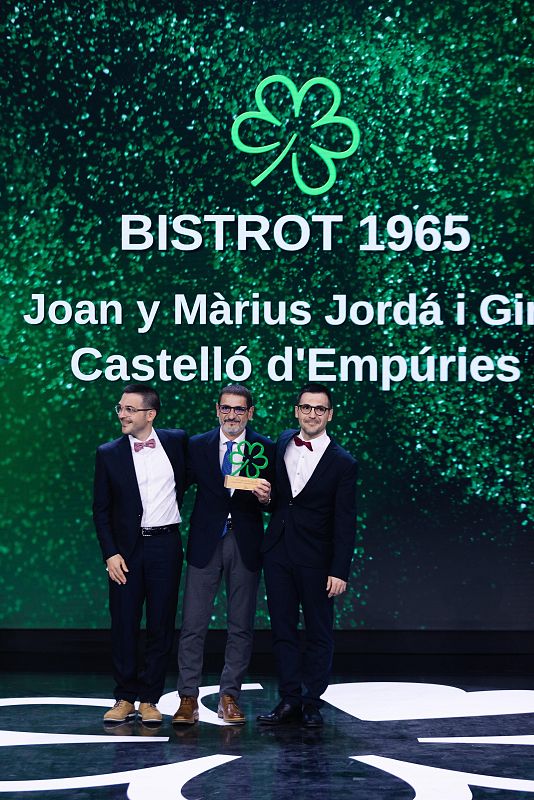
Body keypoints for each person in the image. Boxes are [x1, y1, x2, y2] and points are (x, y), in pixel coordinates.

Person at [257, 383, 357, 728]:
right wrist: (265, 499)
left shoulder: (343, 462)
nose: (312, 414)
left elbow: (345, 522)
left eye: (319, 409)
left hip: (317, 559)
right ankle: (288, 699)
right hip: (278, 552)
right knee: (283, 628)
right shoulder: (282, 442)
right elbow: (279, 499)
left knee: (318, 631)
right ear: (297, 411)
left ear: (329, 415)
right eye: (306, 407)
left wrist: (339, 570)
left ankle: (312, 701)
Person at [172, 384, 273, 726]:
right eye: (226, 409)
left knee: (240, 625)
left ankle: (230, 696)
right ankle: (188, 698)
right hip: (205, 543)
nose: (232, 415)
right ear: (217, 410)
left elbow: (275, 499)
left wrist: (265, 499)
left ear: (250, 413)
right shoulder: (197, 445)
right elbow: (176, 487)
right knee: (192, 625)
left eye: (239, 409)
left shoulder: (265, 447)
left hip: (244, 543)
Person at [93, 384, 187, 725]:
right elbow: (100, 510)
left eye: (130, 409)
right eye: (120, 408)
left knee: (161, 625)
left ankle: (150, 699)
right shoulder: (108, 452)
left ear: (150, 414)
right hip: (126, 552)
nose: (122, 414)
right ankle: (124, 696)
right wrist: (110, 554)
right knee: (124, 624)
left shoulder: (177, 442)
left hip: (166, 545)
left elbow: (203, 474)